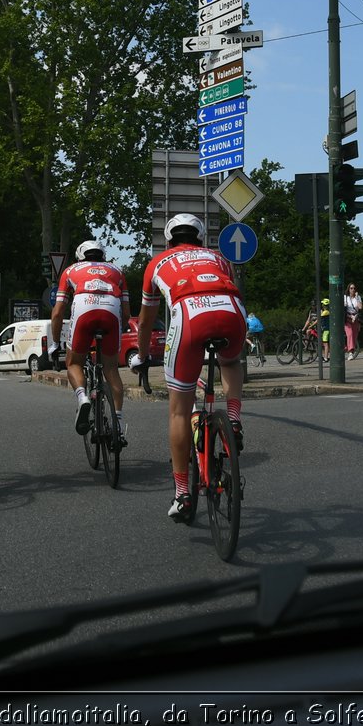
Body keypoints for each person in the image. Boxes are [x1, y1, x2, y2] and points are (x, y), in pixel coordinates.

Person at [136, 213, 248, 522]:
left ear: (169, 240)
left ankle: (183, 493)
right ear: (201, 240)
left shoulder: (157, 263)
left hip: (189, 315)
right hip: (232, 312)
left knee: (179, 411)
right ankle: (234, 420)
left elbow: (145, 321)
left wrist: (142, 356)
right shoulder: (218, 257)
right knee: (230, 361)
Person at [50, 238, 129, 447]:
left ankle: (83, 396)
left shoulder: (70, 270)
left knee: (74, 362)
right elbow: (127, 313)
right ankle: (118, 425)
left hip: (84, 307)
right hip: (111, 310)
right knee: (111, 369)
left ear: (80, 257)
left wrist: (55, 342)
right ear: (103, 255)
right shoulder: (117, 271)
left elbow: (58, 313)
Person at [343, 283, 363, 360]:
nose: (353, 290)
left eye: (354, 288)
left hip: (356, 318)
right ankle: (350, 352)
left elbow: (360, 307)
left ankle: (349, 348)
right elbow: (343, 309)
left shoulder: (357, 297)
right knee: (350, 334)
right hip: (348, 318)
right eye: (351, 288)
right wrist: (350, 316)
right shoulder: (345, 298)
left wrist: (357, 298)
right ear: (348, 289)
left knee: (354, 336)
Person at [319, 298, 332, 362]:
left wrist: (311, 325)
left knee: (325, 344)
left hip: (326, 330)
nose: (322, 305)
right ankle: (326, 356)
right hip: (325, 329)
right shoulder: (327, 311)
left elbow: (319, 317)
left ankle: (326, 358)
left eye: (323, 304)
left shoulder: (326, 312)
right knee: (325, 344)